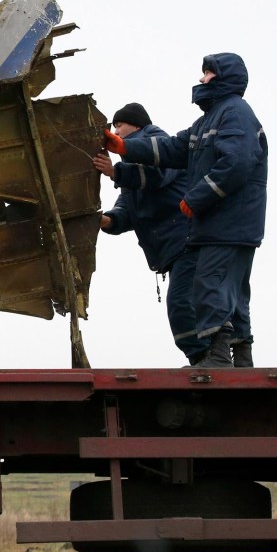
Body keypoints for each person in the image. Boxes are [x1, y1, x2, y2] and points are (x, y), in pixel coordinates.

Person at [102, 53, 267, 368]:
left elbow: (237, 164)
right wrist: (123, 148)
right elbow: (173, 149)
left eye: (207, 73)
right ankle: (241, 360)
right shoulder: (210, 120)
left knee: (208, 284)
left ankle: (217, 357)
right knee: (231, 290)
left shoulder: (234, 113)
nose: (201, 79)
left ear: (222, 78)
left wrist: (197, 198)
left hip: (227, 221)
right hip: (223, 223)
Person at [93, 103, 206, 365]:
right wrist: (107, 221)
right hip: (177, 245)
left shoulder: (159, 144)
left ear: (137, 125)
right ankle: (206, 357)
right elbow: (129, 206)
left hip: (187, 240)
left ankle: (205, 358)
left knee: (182, 302)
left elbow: (157, 176)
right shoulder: (132, 164)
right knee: (190, 302)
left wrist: (114, 171)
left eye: (120, 125)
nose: (116, 131)